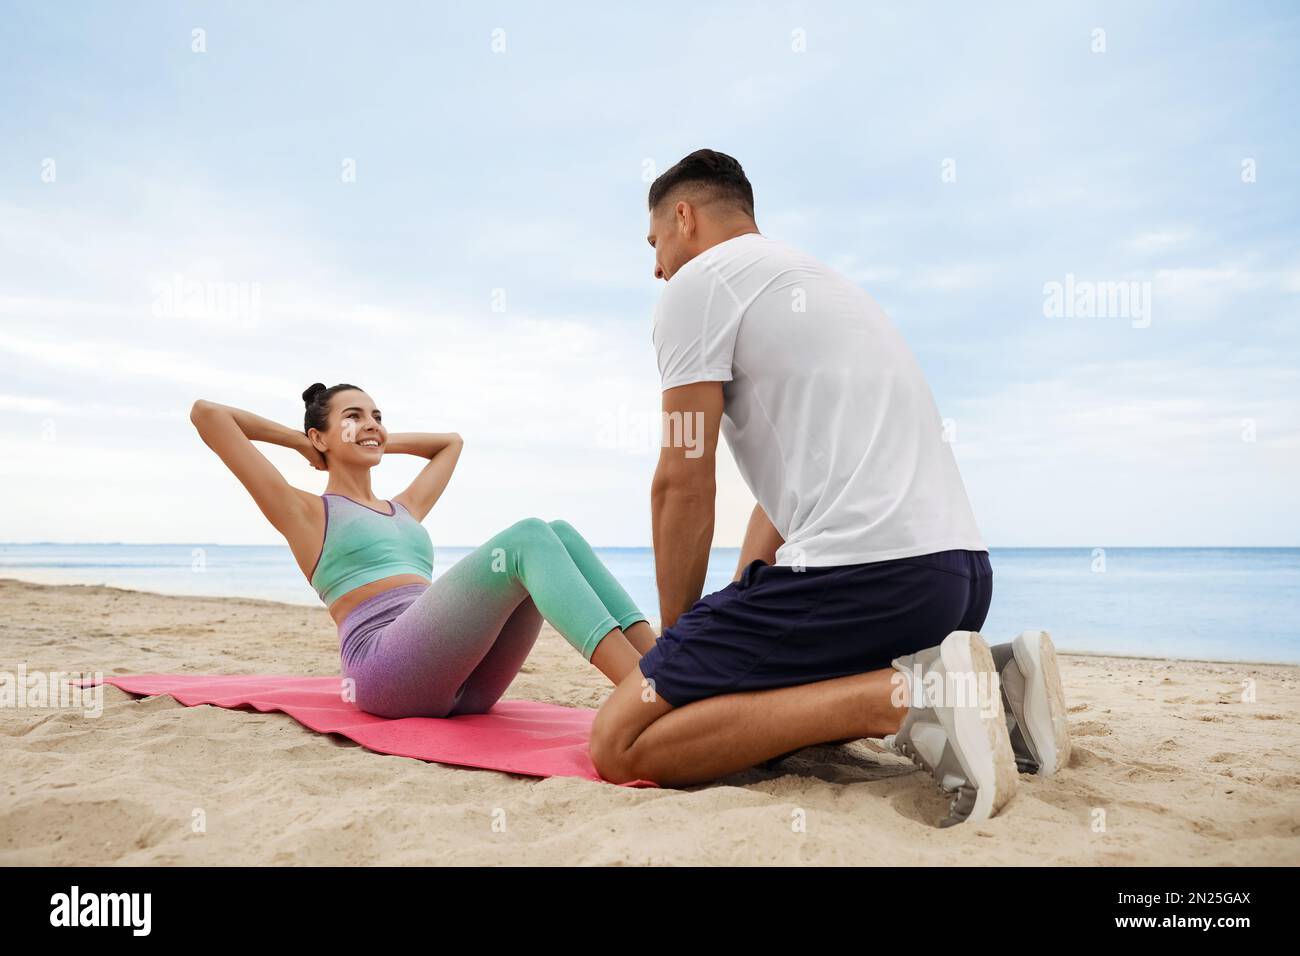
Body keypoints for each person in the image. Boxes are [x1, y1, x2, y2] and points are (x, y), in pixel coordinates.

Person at [588, 149, 1070, 825]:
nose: (656, 266)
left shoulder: (697, 286)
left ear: (684, 216)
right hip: (957, 580)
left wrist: (677, 650)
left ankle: (911, 696)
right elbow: (787, 490)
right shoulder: (817, 282)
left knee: (622, 743)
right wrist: (732, 611)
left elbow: (682, 480)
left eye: (655, 244)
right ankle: (995, 676)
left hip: (868, 580)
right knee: (769, 713)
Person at [189, 384, 655, 719]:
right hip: (384, 672)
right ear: (319, 435)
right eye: (353, 416)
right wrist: (305, 442)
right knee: (530, 536)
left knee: (559, 533)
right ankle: (644, 689)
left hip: (462, 682)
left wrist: (368, 440)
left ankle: (662, 665)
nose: (371, 424)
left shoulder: (404, 509)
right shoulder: (306, 513)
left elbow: (450, 444)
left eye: (377, 416)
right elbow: (207, 414)